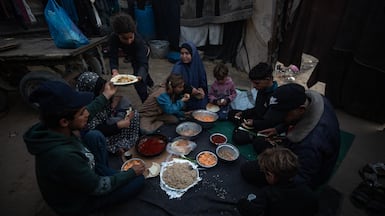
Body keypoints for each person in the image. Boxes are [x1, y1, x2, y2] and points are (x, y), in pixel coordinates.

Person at [23, 81, 145, 215]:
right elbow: (98, 187)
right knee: (138, 180)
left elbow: (86, 112)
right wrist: (131, 173)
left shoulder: (53, 127)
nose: (86, 114)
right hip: (79, 202)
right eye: (82, 112)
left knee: (94, 136)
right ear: (64, 121)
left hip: (86, 173)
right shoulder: (63, 156)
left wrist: (106, 94)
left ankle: (106, 174)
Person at [241, 83, 341, 189]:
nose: (280, 119)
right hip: (296, 150)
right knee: (259, 141)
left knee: (249, 170)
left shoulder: (311, 144)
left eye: (283, 115)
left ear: (301, 109)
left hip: (307, 174)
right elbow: (291, 118)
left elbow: (300, 180)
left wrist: (272, 170)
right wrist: (278, 129)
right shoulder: (312, 101)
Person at [237, 147, 319, 216]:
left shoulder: (267, 194)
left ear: (271, 176)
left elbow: (251, 212)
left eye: (264, 173)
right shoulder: (308, 192)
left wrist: (242, 203)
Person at [76, 71, 140, 155]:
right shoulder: (83, 110)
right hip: (101, 133)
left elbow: (111, 105)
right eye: (101, 90)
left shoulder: (104, 95)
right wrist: (118, 125)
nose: (103, 92)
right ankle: (117, 148)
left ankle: (127, 142)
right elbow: (94, 130)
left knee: (134, 115)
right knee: (97, 138)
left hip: (110, 121)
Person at [228, 62, 279, 145]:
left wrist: (254, 123)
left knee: (239, 138)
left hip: (263, 124)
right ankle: (244, 128)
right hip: (255, 118)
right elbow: (257, 109)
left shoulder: (276, 96)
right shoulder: (261, 89)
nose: (254, 86)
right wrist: (243, 113)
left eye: (257, 83)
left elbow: (270, 122)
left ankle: (252, 135)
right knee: (232, 113)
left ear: (268, 79)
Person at [109, 13, 154, 102]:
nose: (129, 41)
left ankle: (146, 102)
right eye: (125, 38)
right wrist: (114, 71)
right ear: (118, 34)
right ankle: (150, 83)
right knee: (139, 70)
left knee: (139, 80)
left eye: (131, 37)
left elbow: (143, 64)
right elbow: (113, 56)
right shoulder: (113, 38)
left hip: (143, 54)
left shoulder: (138, 42)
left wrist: (139, 76)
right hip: (130, 55)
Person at [171, 41, 208, 110]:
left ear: (193, 54)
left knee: (203, 104)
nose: (184, 56)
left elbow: (202, 81)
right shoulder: (178, 67)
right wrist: (190, 90)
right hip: (182, 95)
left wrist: (201, 89)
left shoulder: (198, 65)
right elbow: (175, 84)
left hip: (196, 95)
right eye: (182, 53)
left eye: (187, 53)